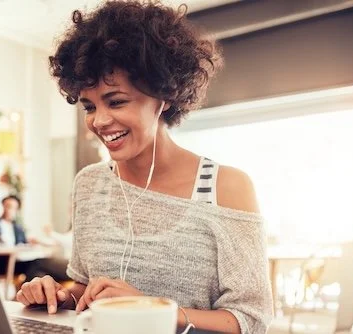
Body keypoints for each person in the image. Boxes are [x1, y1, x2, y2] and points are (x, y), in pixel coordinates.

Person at [17, 1, 273, 333]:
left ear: (164, 94)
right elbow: (86, 292)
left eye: (116, 101)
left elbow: (251, 320)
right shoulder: (89, 184)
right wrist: (56, 297)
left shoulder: (226, 187)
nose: (100, 120)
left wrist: (152, 310)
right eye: (89, 106)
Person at [0, 195, 69, 282]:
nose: (9, 210)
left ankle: (30, 293)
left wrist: (31, 243)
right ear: (2, 206)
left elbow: (23, 243)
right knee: (38, 267)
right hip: (0, 262)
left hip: (17, 261)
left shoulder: (17, 227)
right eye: (7, 206)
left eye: (13, 208)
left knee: (37, 271)